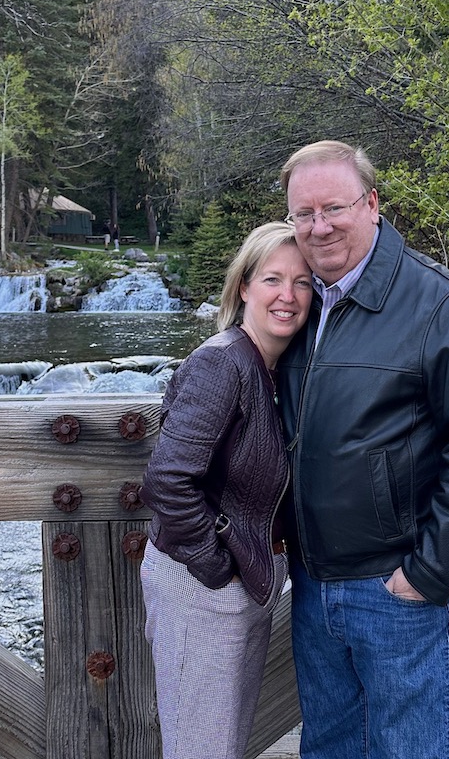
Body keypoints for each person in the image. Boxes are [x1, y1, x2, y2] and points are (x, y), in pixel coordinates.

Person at [276, 140, 449, 759]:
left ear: (373, 205)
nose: (319, 226)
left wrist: (430, 573)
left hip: (397, 589)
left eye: (334, 207)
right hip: (313, 583)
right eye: (303, 213)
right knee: (329, 749)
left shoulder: (441, 303)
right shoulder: (300, 304)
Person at [139, 221, 313, 759]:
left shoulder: (273, 368)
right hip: (201, 587)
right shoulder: (223, 362)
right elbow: (167, 480)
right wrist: (218, 567)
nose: (288, 295)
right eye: (272, 279)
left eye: (303, 282)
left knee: (224, 747)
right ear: (243, 286)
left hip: (243, 584)